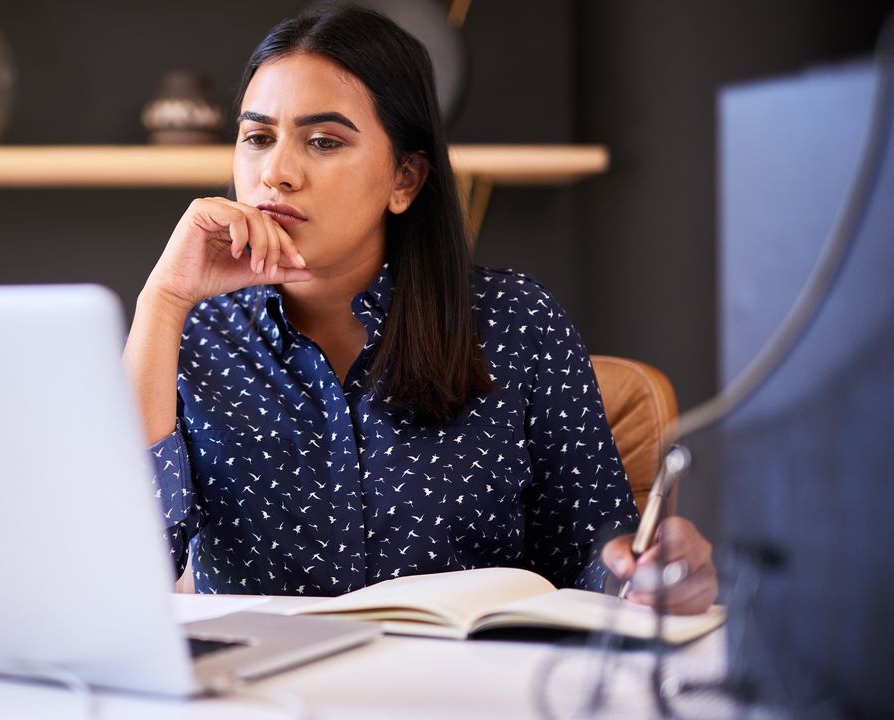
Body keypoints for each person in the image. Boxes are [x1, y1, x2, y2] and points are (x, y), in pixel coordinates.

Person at [123, 4, 717, 614]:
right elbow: (121, 569)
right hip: (263, 702)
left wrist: (651, 575)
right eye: (257, 138)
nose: (276, 172)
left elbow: (597, 562)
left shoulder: (516, 322)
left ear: (404, 180)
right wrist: (162, 301)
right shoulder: (193, 333)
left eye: (324, 141)